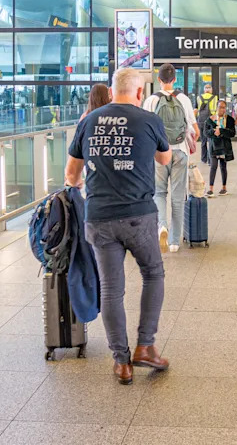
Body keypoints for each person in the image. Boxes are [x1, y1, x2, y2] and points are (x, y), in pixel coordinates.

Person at [65, 68, 172, 385]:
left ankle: (121, 362)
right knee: (153, 273)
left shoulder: (89, 121)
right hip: (139, 215)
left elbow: (71, 175)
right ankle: (146, 346)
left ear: (112, 92)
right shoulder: (148, 119)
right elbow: (164, 160)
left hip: (99, 217)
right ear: (139, 93)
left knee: (112, 290)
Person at [143, 63, 199, 253]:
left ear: (158, 79)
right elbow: (195, 130)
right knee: (177, 196)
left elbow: (145, 130)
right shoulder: (183, 99)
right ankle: (174, 242)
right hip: (180, 152)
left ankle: (162, 226)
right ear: (175, 79)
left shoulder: (150, 100)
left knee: (159, 193)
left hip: (158, 152)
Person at [204, 100, 235, 196]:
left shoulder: (229, 119)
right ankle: (211, 188)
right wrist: (214, 132)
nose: (221, 109)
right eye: (220, 107)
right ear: (216, 108)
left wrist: (221, 131)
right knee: (213, 166)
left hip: (224, 147)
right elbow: (206, 133)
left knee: (223, 167)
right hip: (214, 146)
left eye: (223, 107)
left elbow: (232, 133)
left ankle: (224, 188)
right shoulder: (210, 119)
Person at [196, 83, 218, 165]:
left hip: (201, 121)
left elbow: (196, 109)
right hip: (210, 122)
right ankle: (210, 160)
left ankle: (203, 159)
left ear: (204, 90)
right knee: (211, 141)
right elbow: (217, 111)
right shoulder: (215, 98)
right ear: (211, 90)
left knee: (203, 141)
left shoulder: (199, 98)